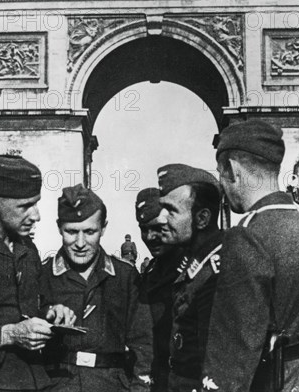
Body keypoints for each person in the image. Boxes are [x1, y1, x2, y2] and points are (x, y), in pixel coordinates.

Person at [201, 120, 299, 392]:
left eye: (220, 173)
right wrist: (298, 346)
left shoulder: (246, 235)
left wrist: (271, 355)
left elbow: (233, 349)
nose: (221, 183)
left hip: (268, 383)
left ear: (232, 170)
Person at [0, 154, 75, 391]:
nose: (36, 215)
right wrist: (8, 335)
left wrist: (52, 313)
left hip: (33, 378)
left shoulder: (27, 248)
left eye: (36, 203)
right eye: (25, 206)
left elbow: (32, 305)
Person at [40, 184, 153, 391]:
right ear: (59, 228)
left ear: (103, 228)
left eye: (89, 232)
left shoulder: (125, 276)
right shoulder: (42, 274)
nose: (80, 243)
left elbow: (144, 344)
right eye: (71, 232)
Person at [156, 165, 223, 392]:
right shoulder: (194, 262)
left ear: (202, 218)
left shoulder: (218, 273)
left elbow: (218, 363)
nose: (160, 219)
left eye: (170, 211)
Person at [135, 187, 183, 392]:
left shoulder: (191, 269)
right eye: (144, 229)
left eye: (157, 228)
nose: (150, 237)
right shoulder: (151, 272)